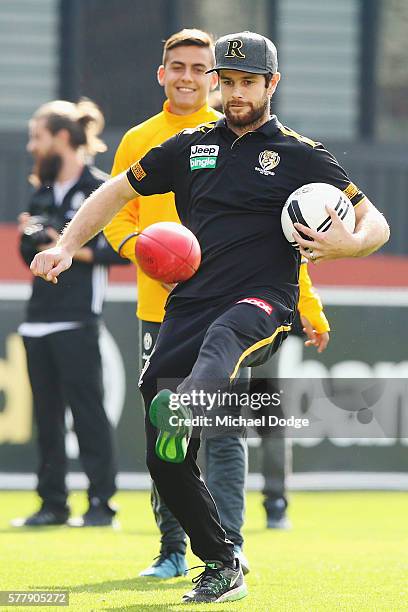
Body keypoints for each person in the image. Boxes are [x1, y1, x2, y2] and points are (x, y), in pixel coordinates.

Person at [30, 31, 389, 604]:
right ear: (217, 84)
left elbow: (378, 224)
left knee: (226, 337)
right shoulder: (191, 145)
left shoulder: (301, 155)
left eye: (250, 81)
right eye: (229, 81)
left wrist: (347, 246)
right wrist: (67, 246)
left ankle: (192, 399)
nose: (237, 91)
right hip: (190, 304)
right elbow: (118, 192)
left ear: (272, 84)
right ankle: (222, 562)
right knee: (161, 452)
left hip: (263, 302)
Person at [14, 99, 128, 528]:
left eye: (37, 137)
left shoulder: (100, 189)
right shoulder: (42, 190)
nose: (31, 146)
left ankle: (102, 503)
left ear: (62, 138)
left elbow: (119, 249)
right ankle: (52, 504)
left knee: (87, 413)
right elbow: (33, 249)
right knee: (46, 418)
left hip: (78, 317)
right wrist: (36, 236)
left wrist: (62, 245)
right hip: (37, 317)